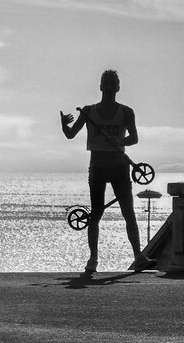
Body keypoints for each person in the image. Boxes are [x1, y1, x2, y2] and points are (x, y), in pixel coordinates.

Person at [60, 69, 155, 274]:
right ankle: (93, 258)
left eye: (113, 83)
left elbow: (134, 138)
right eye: (106, 83)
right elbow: (70, 134)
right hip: (98, 167)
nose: (110, 86)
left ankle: (138, 256)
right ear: (101, 86)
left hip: (119, 167)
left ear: (118, 87)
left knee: (128, 212)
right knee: (96, 213)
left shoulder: (126, 112)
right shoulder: (88, 111)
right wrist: (64, 125)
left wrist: (119, 141)